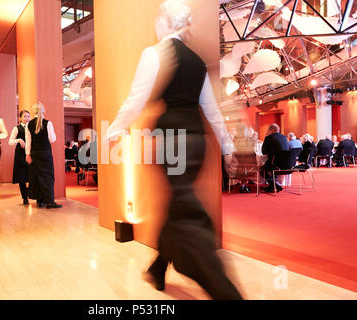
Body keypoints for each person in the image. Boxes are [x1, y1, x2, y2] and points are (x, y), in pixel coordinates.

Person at [105, 0, 241, 300]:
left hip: (171, 144)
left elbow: (135, 100)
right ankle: (157, 268)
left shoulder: (155, 53)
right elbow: (211, 109)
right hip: (196, 144)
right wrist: (227, 148)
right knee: (179, 205)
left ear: (166, 22)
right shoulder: (195, 61)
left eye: (158, 18)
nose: (155, 23)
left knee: (188, 217)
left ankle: (226, 293)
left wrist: (113, 130)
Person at [25, 103, 62, 209]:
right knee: (48, 177)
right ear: (43, 111)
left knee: (36, 177)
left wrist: (27, 154)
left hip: (34, 154)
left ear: (34, 111)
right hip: (45, 153)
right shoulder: (48, 123)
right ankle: (49, 202)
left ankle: (39, 200)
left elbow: (28, 141)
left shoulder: (29, 124)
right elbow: (52, 139)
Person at [9, 110, 31, 205]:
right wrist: (18, 140)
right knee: (22, 178)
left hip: (30, 154)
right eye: (25, 116)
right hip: (20, 155)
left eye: (28, 116)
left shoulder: (31, 127)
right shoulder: (16, 128)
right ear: (20, 118)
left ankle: (29, 192)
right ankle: (25, 198)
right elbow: (10, 142)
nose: (27, 118)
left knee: (31, 176)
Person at [260, 123, 289, 192]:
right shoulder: (285, 137)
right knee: (273, 167)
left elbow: (264, 152)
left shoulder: (268, 138)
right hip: (287, 164)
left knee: (261, 169)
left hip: (274, 164)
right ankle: (273, 186)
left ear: (272, 130)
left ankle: (274, 185)